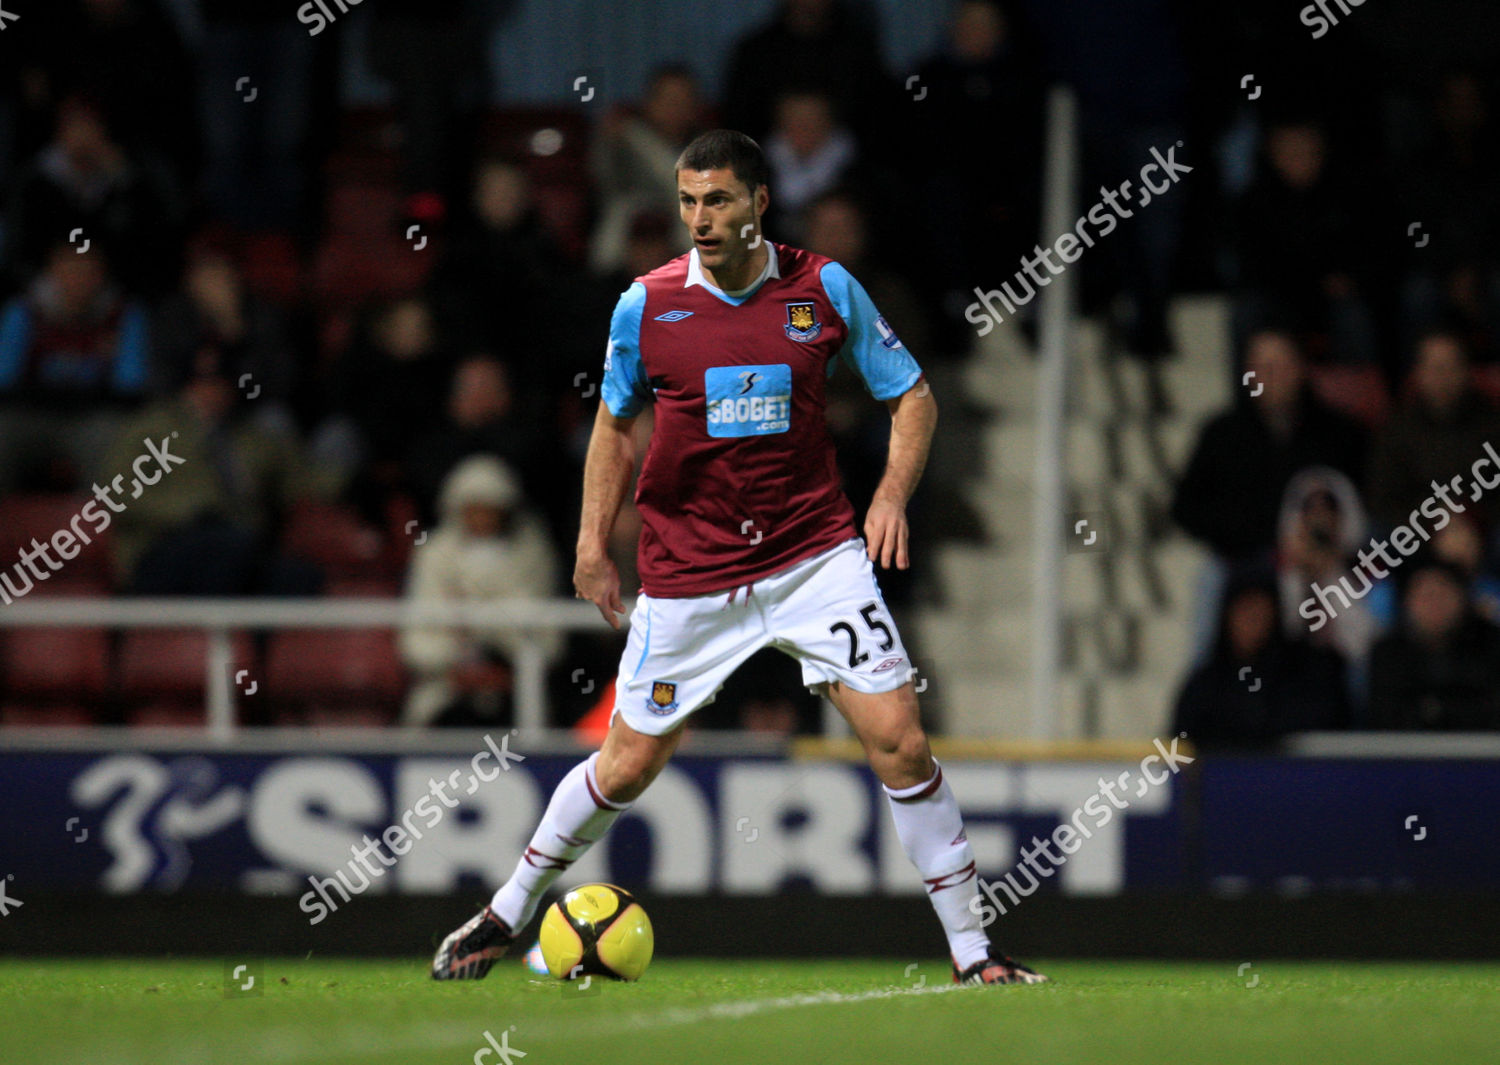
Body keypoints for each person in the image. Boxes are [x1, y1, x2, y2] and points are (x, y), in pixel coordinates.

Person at [431, 130, 1045, 987]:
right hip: (689, 571)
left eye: (717, 200)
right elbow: (612, 427)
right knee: (628, 764)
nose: (700, 219)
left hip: (812, 555)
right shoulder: (644, 305)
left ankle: (976, 954)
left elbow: (912, 394)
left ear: (759, 201)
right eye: (687, 202)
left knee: (901, 742)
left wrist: (891, 494)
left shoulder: (823, 288)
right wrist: (588, 542)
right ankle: (505, 911)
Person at [399, 455, 561, 727]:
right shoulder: (434, 555)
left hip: (515, 691)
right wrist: (457, 659)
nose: (484, 519)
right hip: (445, 689)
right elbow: (414, 645)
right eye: (475, 509)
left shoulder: (531, 553)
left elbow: (550, 644)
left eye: (492, 510)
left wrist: (501, 656)